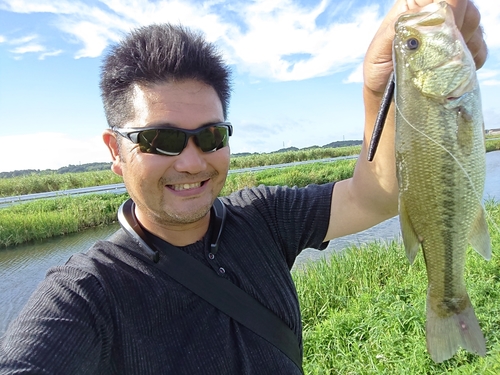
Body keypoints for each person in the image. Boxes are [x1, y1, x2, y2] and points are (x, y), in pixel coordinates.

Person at [0, 0, 487, 373]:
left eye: (211, 136)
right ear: (115, 151)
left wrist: (379, 86)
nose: (191, 162)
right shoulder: (85, 296)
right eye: (160, 140)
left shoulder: (263, 218)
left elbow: (374, 195)